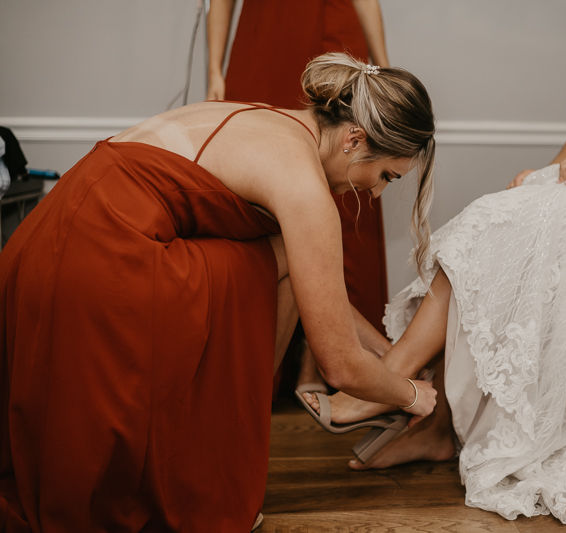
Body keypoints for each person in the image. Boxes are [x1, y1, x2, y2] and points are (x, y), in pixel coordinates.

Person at [300, 0, 566, 524]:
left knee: (510, 228)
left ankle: (390, 380)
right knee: (491, 218)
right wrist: (551, 173)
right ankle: (437, 426)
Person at [0, 53, 436, 532]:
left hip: (40, 245)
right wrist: (412, 394)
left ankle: (217, 450)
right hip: (105, 269)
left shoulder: (271, 120)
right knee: (284, 261)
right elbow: (339, 365)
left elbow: (320, 291)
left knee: (284, 258)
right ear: (355, 139)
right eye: (386, 176)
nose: (374, 194)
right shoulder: (303, 186)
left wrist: (388, 351)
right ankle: (216, 460)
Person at [206, 0, 392, 394]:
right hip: (265, 32)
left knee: (347, 174)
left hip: (336, 23)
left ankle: (321, 353)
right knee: (266, 172)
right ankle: (255, 363)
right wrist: (214, 69)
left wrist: (384, 68)